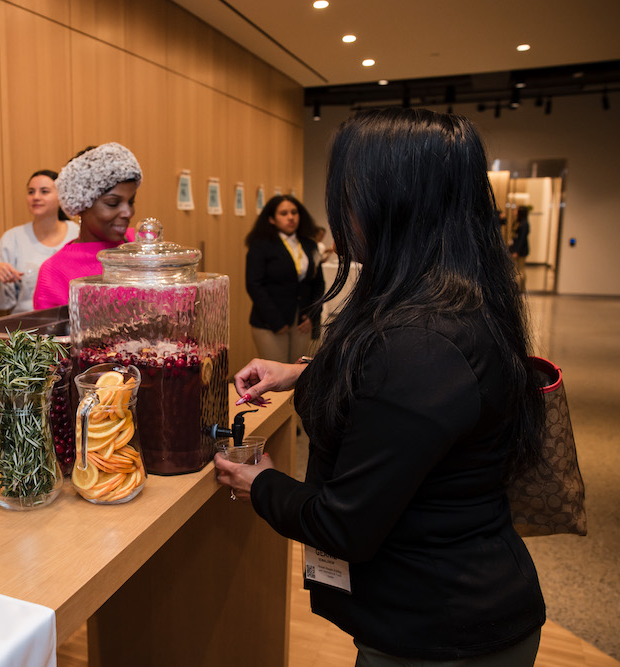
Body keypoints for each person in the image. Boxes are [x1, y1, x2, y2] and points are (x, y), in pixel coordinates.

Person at [216, 108, 546, 664]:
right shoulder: (451, 301)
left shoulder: (418, 345)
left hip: (441, 632)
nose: (337, 213)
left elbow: (342, 525)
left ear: (396, 202)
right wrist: (300, 372)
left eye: (347, 193)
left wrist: (263, 482)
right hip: (443, 610)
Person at [32, 143, 141, 309]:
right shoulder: (55, 272)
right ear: (81, 205)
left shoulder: (141, 245)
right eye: (113, 203)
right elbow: (51, 335)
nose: (128, 212)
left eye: (131, 201)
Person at [0, 169, 79, 313]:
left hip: (73, 323)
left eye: (44, 191)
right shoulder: (12, 238)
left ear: (61, 197)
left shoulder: (77, 233)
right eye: (31, 192)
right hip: (28, 328)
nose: (36, 197)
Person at [244, 194, 325, 364]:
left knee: (298, 373)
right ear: (272, 219)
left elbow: (318, 284)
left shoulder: (309, 245)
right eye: (284, 213)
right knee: (275, 378)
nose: (290, 217)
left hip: (302, 322)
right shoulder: (261, 245)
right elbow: (254, 285)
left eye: (294, 212)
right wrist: (276, 321)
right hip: (270, 322)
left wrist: (312, 315)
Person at [510, 205, 530, 290]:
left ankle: (520, 288)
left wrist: (517, 251)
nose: (514, 212)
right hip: (515, 249)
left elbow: (522, 239)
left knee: (520, 269)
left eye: (516, 210)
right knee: (517, 269)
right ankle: (519, 287)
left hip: (520, 251)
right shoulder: (518, 222)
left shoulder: (524, 224)